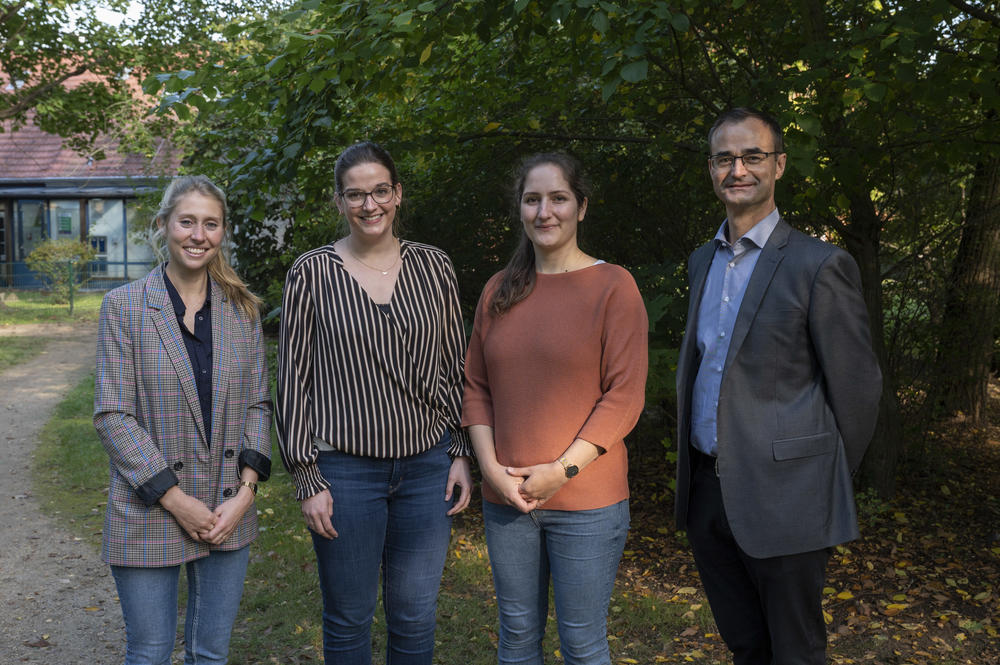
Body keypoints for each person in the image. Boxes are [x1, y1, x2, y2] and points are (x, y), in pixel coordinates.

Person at [673, 107, 883, 665]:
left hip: (789, 497)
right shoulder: (701, 261)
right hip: (707, 493)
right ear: (711, 169)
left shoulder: (820, 264)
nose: (737, 169)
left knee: (795, 650)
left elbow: (858, 391)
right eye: (725, 158)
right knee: (746, 645)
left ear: (779, 165)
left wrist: (816, 477)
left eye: (752, 156)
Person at [275, 141, 473, 665]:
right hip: (345, 473)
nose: (370, 205)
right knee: (348, 617)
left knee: (414, 616)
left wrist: (459, 452)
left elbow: (455, 365)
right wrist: (306, 477)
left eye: (380, 191)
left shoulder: (434, 267)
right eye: (356, 194)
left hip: (427, 468)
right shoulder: (311, 272)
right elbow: (293, 381)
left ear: (398, 194)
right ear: (339, 201)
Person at [462, 152, 648, 665]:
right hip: (508, 500)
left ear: (581, 207)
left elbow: (625, 395)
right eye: (532, 199)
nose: (545, 211)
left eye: (558, 198)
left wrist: (561, 470)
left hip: (587, 500)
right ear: (520, 209)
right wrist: (491, 471)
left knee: (583, 644)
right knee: (516, 639)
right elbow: (476, 387)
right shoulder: (499, 289)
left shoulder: (614, 286)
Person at [94, 175, 272, 665]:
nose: (198, 235)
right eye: (187, 221)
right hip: (149, 506)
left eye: (210, 224)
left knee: (211, 653)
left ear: (223, 232)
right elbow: (112, 414)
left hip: (226, 508)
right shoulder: (125, 307)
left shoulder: (243, 311)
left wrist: (246, 492)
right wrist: (175, 499)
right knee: (150, 652)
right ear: (164, 226)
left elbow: (258, 404)